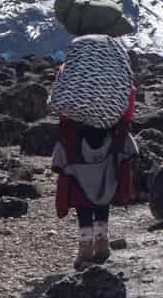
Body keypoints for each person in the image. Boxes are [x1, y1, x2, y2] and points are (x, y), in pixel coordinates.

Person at [49, 33, 140, 268]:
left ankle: (85, 246)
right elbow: (129, 105)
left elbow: (60, 105)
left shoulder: (68, 71)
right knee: (104, 189)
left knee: (81, 193)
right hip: (110, 137)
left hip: (77, 141)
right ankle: (102, 241)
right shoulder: (118, 73)